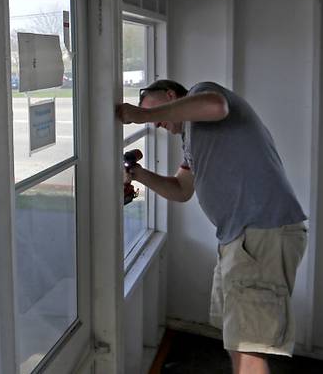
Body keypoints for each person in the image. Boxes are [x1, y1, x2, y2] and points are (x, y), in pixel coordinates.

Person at [117, 79, 307, 374]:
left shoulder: (202, 94)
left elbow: (215, 106)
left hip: (260, 234)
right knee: (237, 340)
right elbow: (181, 190)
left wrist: (141, 116)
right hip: (240, 239)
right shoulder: (192, 139)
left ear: (170, 95)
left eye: (152, 110)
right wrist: (138, 174)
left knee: (249, 347)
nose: (155, 123)